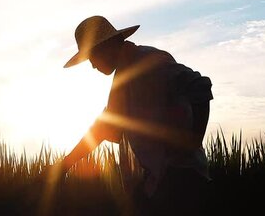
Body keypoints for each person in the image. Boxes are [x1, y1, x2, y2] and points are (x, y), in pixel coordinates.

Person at [44, 15, 213, 215]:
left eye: (92, 57)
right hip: (157, 181)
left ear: (106, 46)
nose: (92, 66)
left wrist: (192, 143)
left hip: (182, 179)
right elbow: (104, 128)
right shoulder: (123, 79)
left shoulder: (148, 62)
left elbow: (200, 86)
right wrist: (66, 164)